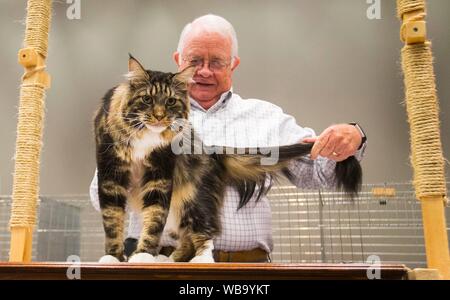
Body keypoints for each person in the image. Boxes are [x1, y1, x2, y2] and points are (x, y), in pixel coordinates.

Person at [89, 14, 367, 263]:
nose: (204, 71)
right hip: (158, 265)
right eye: (195, 60)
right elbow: (100, 193)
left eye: (217, 62)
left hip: (246, 268)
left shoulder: (265, 116)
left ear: (233, 64)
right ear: (178, 61)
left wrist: (351, 138)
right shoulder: (139, 118)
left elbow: (320, 175)